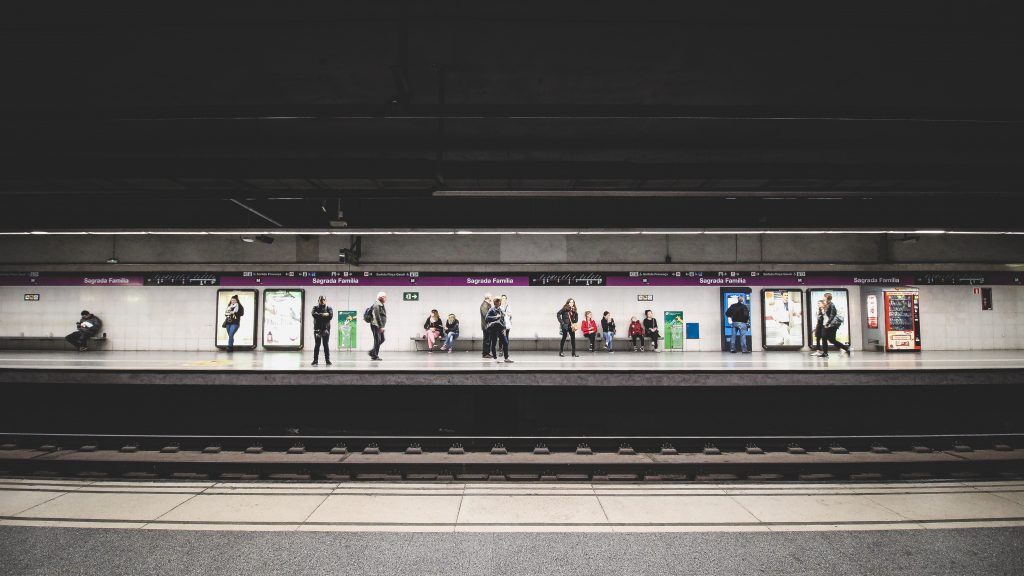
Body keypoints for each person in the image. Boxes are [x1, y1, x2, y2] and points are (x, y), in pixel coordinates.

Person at [821, 292, 851, 357]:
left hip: (831, 325)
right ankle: (825, 353)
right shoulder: (827, 305)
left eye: (824, 297)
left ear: (827, 298)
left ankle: (846, 348)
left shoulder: (832, 305)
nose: (823, 298)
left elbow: (832, 315)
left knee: (832, 340)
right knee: (824, 337)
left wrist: (827, 323)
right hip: (826, 324)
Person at [485, 297, 513, 363]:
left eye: (500, 301)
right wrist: (495, 317)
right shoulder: (492, 309)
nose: (499, 303)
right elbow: (486, 318)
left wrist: (504, 328)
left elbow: (503, 320)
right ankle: (495, 358)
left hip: (500, 329)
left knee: (505, 343)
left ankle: (506, 358)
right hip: (494, 330)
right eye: (498, 301)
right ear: (495, 302)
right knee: (494, 344)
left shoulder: (500, 310)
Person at [311, 295, 334, 366]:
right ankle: (315, 361)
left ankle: (327, 360)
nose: (322, 301)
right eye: (321, 299)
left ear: (325, 300)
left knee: (325, 345)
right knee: (317, 345)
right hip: (317, 330)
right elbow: (314, 314)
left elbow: (330, 316)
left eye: (323, 299)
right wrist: (324, 315)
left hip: (326, 330)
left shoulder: (329, 308)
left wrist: (320, 315)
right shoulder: (315, 307)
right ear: (318, 300)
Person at [369, 291, 387, 361]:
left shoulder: (381, 304)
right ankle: (374, 356)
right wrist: (381, 326)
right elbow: (377, 316)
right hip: (376, 325)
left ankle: (372, 352)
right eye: (385, 297)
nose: (386, 299)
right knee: (378, 340)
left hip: (379, 325)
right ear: (381, 297)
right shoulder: (376, 305)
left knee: (382, 339)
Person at [479, 293, 493, 358]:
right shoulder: (484, 305)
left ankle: (487, 353)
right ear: (488, 297)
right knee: (487, 340)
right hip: (486, 325)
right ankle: (485, 354)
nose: (492, 298)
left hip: (488, 325)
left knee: (488, 340)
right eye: (491, 297)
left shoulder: (487, 304)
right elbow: (486, 315)